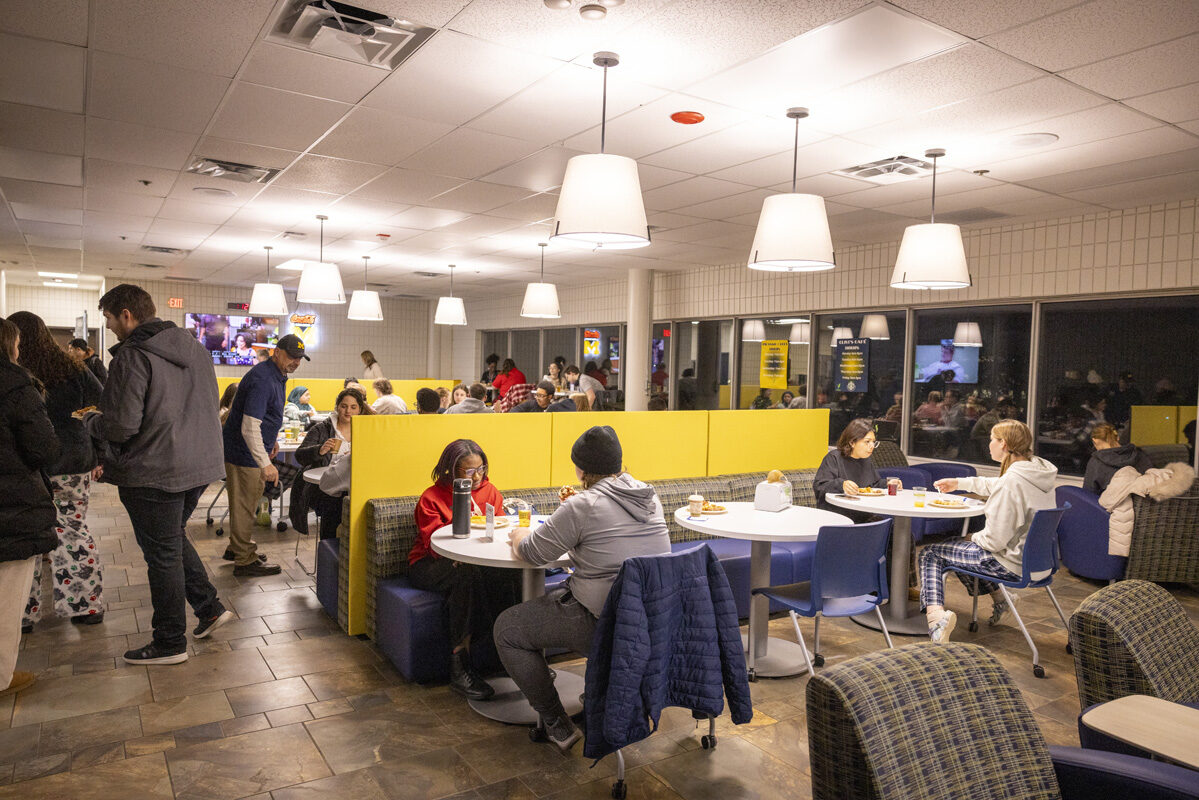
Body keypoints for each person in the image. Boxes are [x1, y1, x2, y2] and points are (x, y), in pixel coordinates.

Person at [82, 284, 233, 664]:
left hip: (154, 470)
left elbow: (121, 426)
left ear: (127, 316)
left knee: (162, 554)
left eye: (110, 319)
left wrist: (91, 422)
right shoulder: (196, 349)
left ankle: (169, 642)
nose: (112, 327)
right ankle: (209, 607)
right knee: (169, 541)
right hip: (200, 466)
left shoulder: (133, 356)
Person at [495, 426, 671, 750]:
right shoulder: (648, 495)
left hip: (605, 623)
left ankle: (556, 723)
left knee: (508, 629)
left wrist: (519, 536)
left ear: (580, 468)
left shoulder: (584, 505)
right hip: (654, 621)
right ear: (619, 464)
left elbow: (534, 553)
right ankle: (596, 698)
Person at [919, 420, 1057, 644]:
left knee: (932, 553)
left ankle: (936, 621)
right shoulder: (1036, 471)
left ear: (1003, 444)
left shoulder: (1012, 482)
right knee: (956, 547)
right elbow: (998, 484)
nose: (989, 444)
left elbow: (993, 542)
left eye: (992, 439)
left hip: (1009, 564)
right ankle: (1001, 599)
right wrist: (960, 482)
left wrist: (971, 537)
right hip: (1037, 564)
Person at [9, 312, 106, 629]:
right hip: (73, 462)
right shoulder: (73, 368)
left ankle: (22, 613)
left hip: (30, 466)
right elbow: (102, 403)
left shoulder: (15, 374)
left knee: (28, 538)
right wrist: (78, 420)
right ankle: (86, 606)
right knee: (72, 530)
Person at [409, 440, 521, 699]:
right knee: (467, 575)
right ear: (450, 470)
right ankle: (460, 666)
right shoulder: (431, 498)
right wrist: (458, 555)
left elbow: (500, 526)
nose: (476, 476)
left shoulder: (490, 490)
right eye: (468, 472)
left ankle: (511, 654)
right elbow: (432, 544)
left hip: (475, 559)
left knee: (510, 573)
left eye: (480, 469)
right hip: (429, 564)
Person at [0, 316, 61, 697]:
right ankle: (1, 675)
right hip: (12, 507)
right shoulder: (16, 385)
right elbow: (44, 448)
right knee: (7, 599)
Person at [223, 334, 311, 575]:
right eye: (292, 356)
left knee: (245, 502)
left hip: (249, 449)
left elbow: (264, 419)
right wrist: (264, 463)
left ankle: (237, 547)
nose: (296, 362)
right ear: (277, 352)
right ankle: (244, 560)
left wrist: (270, 442)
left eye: (299, 358)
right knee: (245, 504)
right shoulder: (264, 379)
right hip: (244, 453)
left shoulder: (275, 374)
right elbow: (249, 426)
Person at [297, 388, 370, 540]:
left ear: (360, 410)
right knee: (336, 503)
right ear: (337, 407)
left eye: (353, 407)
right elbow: (300, 456)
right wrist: (320, 450)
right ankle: (329, 549)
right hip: (322, 486)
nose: (348, 411)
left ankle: (353, 547)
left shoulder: (366, 430)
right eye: (344, 406)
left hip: (356, 485)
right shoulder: (322, 428)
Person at [813, 419, 894, 523]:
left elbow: (873, 485)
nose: (872, 446)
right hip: (837, 517)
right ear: (852, 442)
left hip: (862, 515)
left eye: (874, 442)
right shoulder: (834, 458)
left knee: (894, 531)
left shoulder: (865, 460)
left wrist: (888, 484)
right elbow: (819, 487)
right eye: (867, 442)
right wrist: (842, 485)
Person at [1084, 422, 1153, 495]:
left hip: (1109, 505)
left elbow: (1088, 493)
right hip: (1142, 504)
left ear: (1095, 440)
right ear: (1117, 438)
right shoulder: (1139, 455)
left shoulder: (1096, 462)